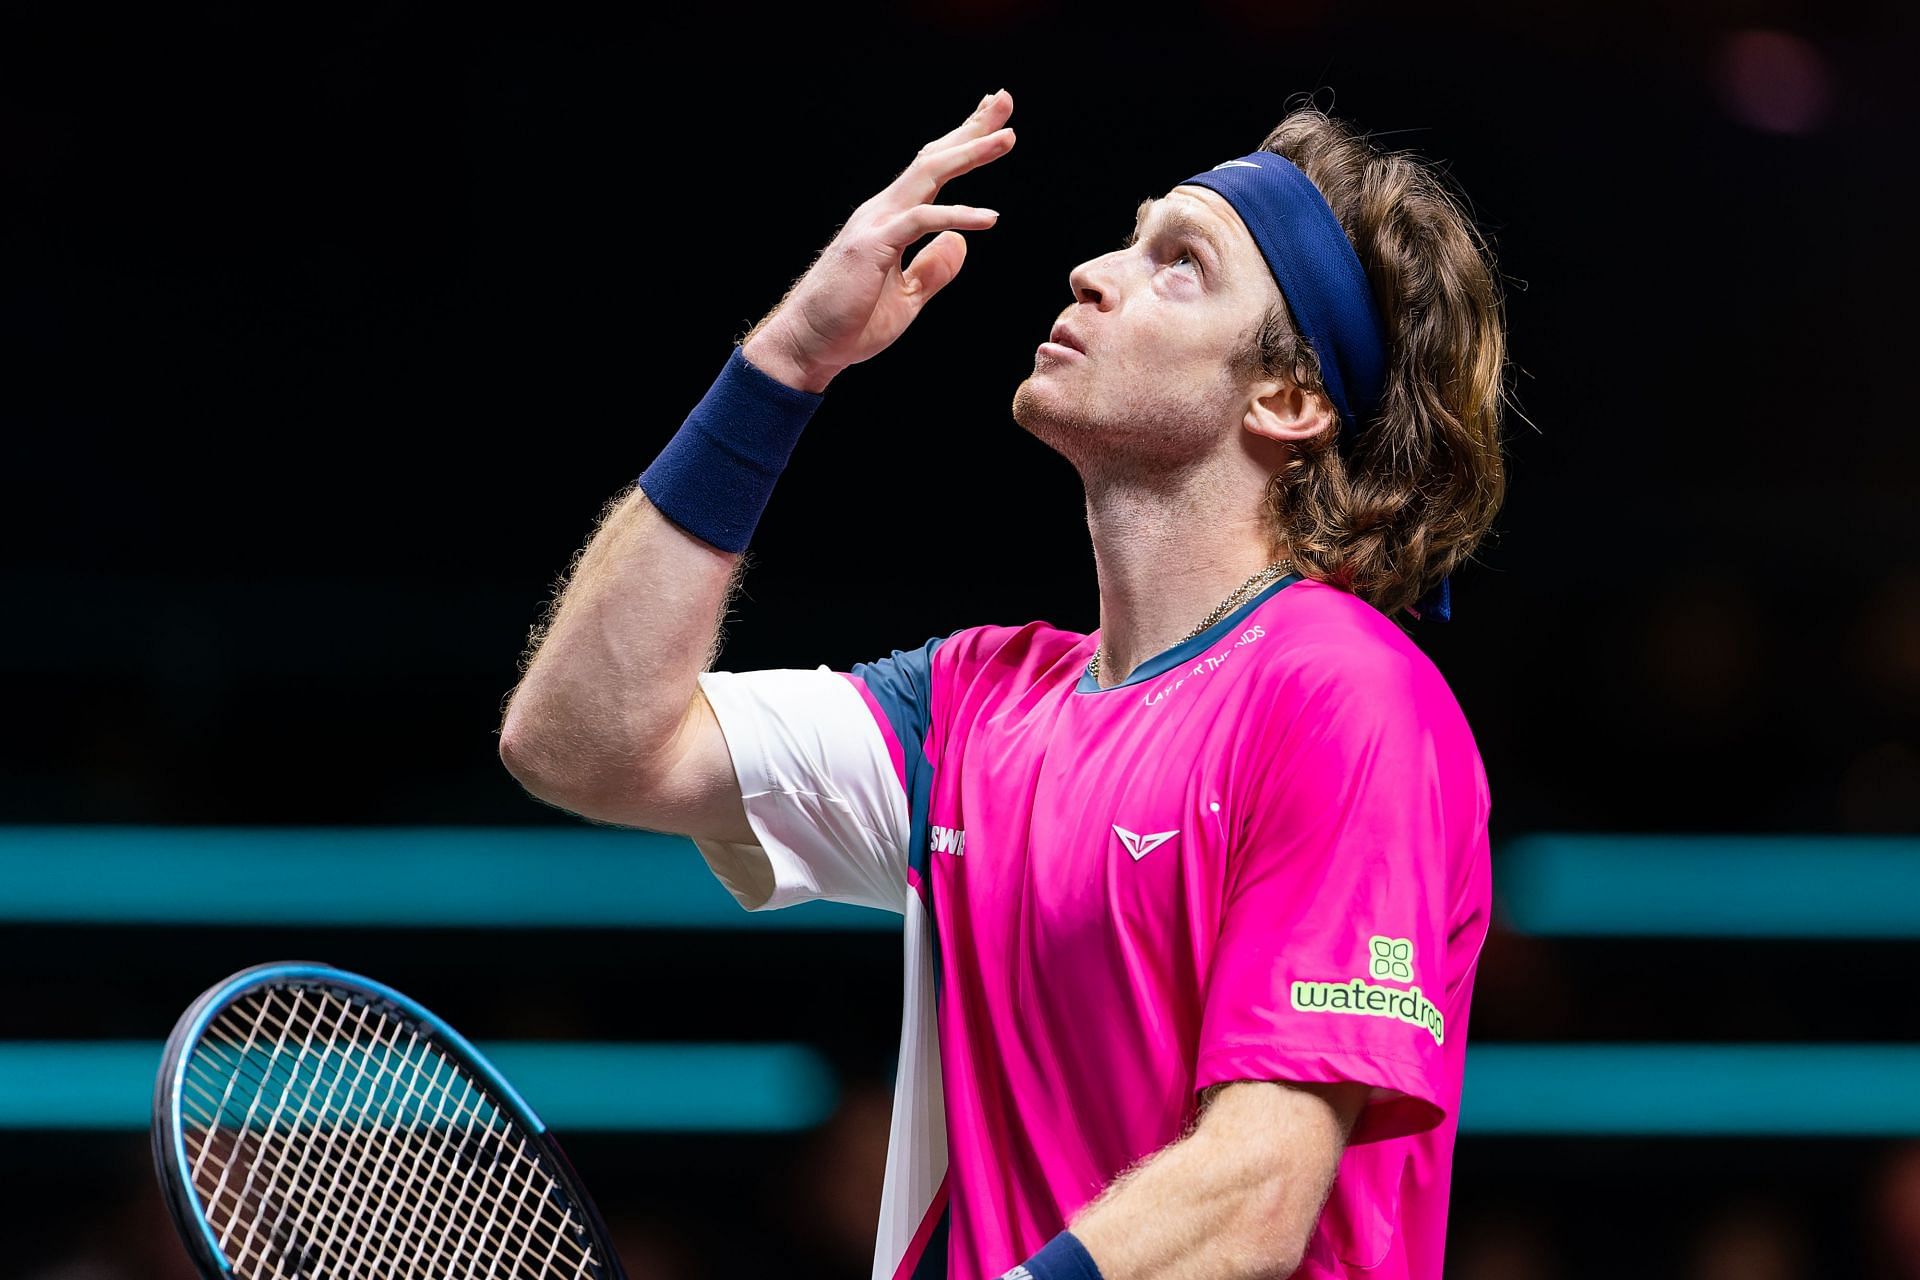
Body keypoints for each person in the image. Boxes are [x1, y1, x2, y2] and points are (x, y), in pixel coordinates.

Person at [499, 86, 1510, 1280]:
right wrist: (785, 361)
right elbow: (584, 740)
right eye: (1128, 239)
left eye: (1179, 263)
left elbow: (1258, 1186)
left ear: (1286, 399)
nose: (1094, 272)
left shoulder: (1343, 696)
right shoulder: (972, 709)